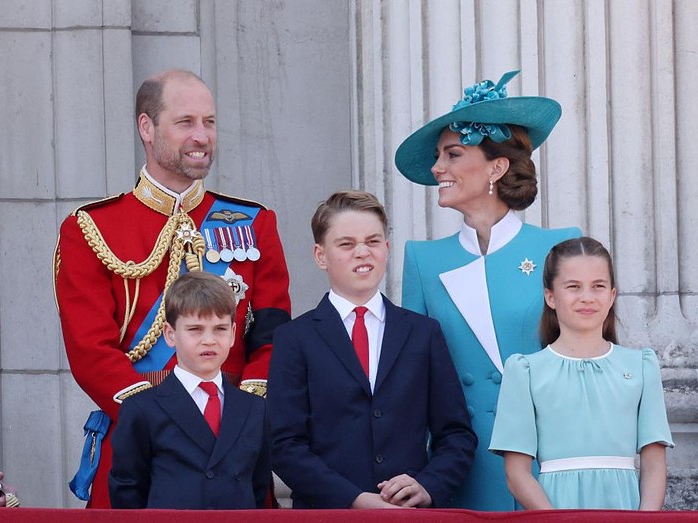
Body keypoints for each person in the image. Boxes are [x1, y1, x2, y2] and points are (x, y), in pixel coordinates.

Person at [53, 69, 291, 508]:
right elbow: (89, 351)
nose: (202, 136)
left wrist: (242, 415)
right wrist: (160, 417)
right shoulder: (90, 228)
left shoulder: (254, 223)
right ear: (147, 127)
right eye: (186, 122)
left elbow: (274, 336)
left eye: (210, 122)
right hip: (139, 446)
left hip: (233, 448)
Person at [395, 69, 581, 510]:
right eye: (439, 156)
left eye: (453, 154)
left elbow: (587, 359)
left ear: (497, 167)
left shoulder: (558, 245)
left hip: (548, 457)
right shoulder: (423, 259)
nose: (438, 168)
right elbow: (416, 377)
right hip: (465, 462)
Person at [268, 190, 477, 509]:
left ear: (387, 249)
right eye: (347, 244)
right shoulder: (294, 339)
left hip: (409, 515)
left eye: (373, 241)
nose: (362, 252)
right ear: (320, 255)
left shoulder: (423, 333)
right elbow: (284, 445)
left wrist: (427, 486)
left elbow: (456, 435)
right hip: (326, 515)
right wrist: (355, 499)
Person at [489, 236, 674, 509]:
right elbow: (516, 474)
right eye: (573, 287)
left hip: (625, 510)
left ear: (612, 295)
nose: (587, 297)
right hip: (554, 509)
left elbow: (654, 465)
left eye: (598, 286)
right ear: (550, 296)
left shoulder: (641, 366)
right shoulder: (525, 371)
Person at [109, 271, 270, 509]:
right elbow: (128, 489)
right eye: (195, 329)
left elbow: (257, 485)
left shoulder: (255, 408)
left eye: (220, 329)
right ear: (170, 334)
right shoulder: (142, 409)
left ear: (234, 334)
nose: (209, 340)